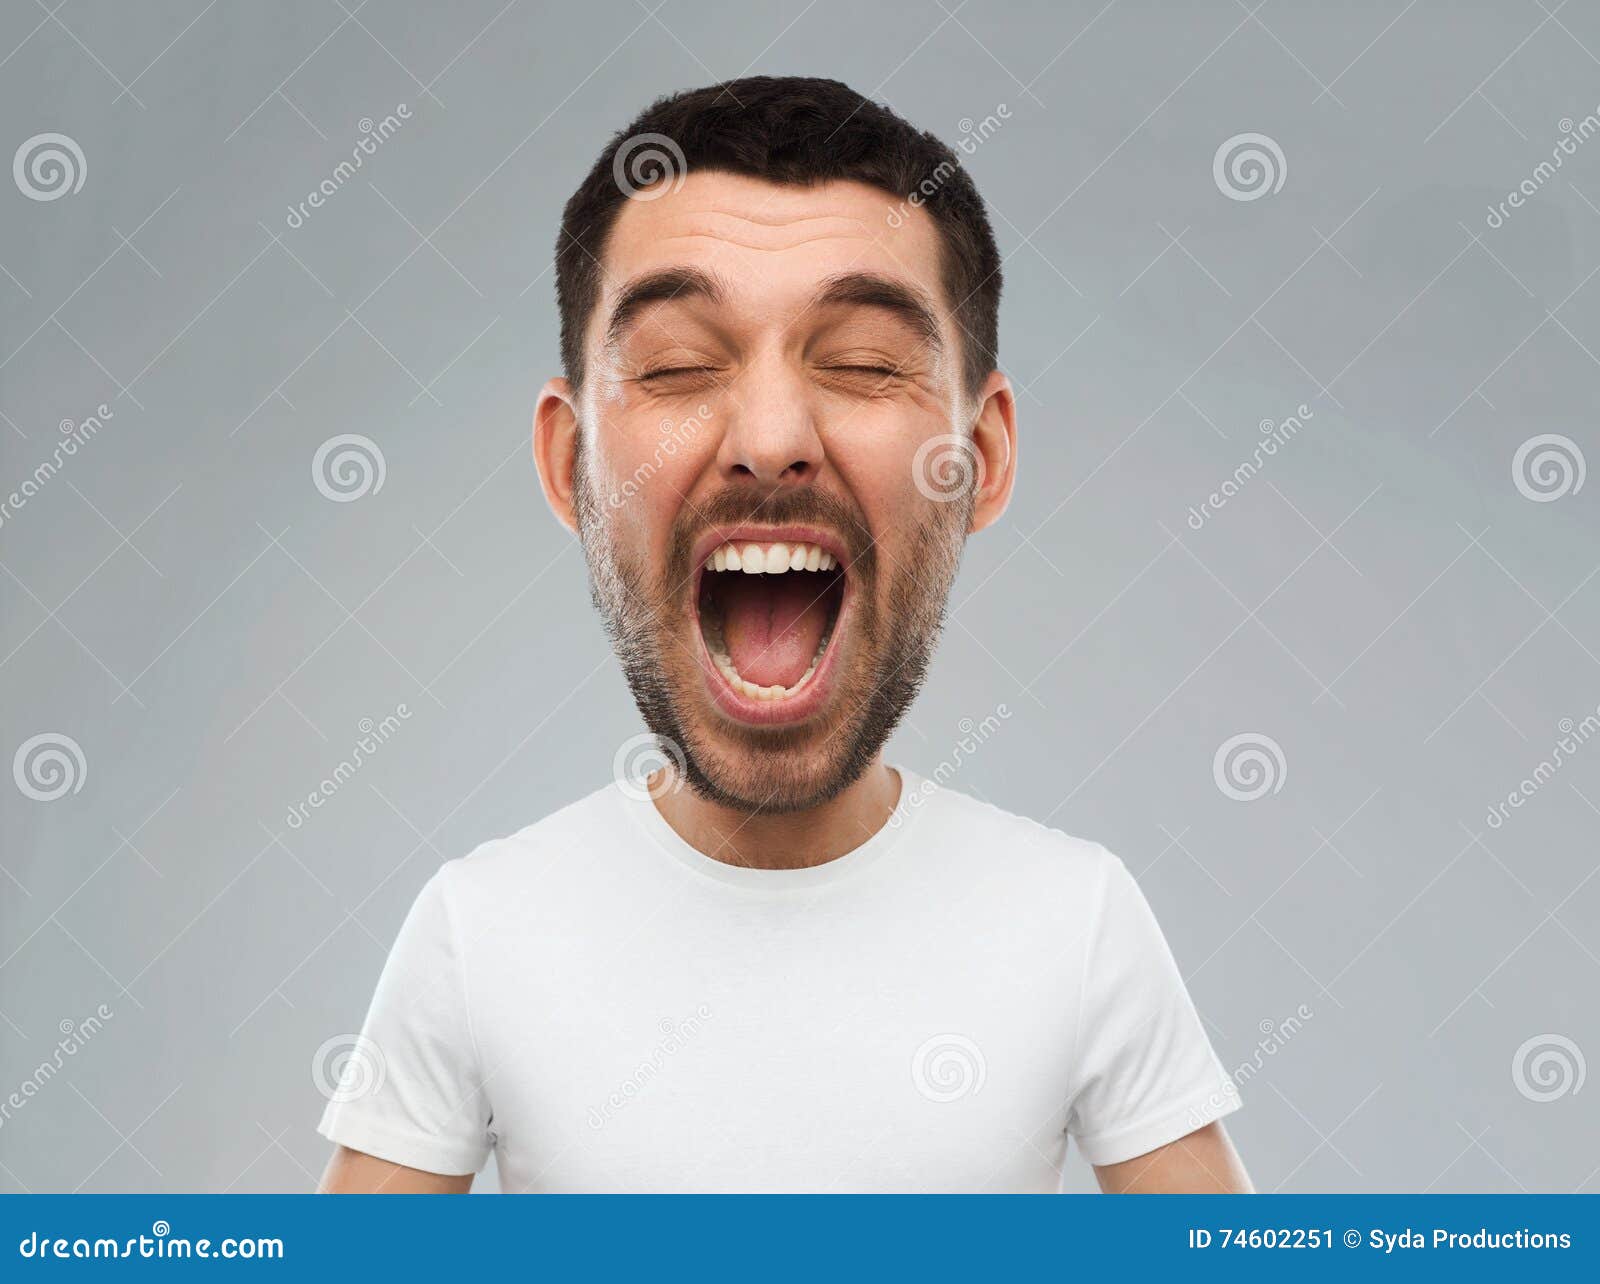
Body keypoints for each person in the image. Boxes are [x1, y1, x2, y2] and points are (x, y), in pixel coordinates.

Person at [318, 75, 1250, 1194]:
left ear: (982, 458)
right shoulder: (481, 927)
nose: (769, 438)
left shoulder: (1074, 914)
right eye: (673, 366)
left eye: (860, 363)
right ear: (571, 463)